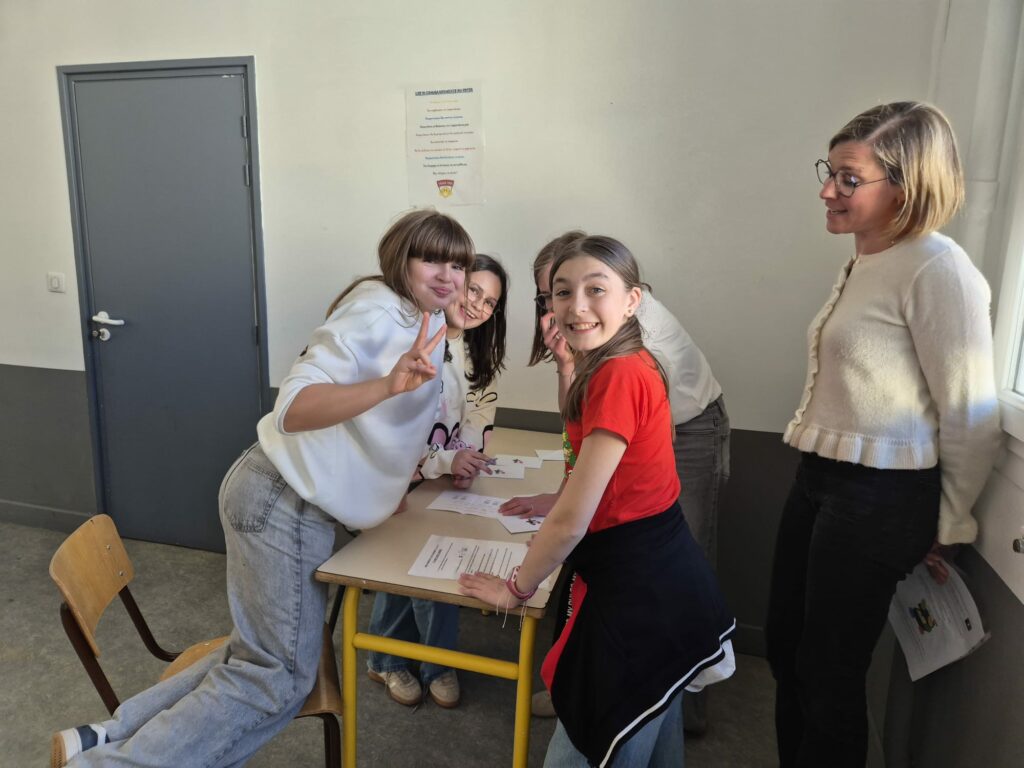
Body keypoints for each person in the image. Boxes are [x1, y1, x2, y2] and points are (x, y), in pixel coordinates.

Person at [51, 208, 474, 768]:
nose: (447, 276)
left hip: (285, 496)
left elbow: (389, 431)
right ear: (401, 260)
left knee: (257, 654)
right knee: (277, 678)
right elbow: (293, 409)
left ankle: (106, 736)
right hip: (282, 501)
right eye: (431, 260)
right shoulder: (378, 308)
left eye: (458, 265)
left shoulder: (422, 320)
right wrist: (386, 385)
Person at [765, 101, 1002, 767]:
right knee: (786, 649)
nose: (827, 191)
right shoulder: (867, 260)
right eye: (830, 172)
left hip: (881, 496)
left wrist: (949, 523)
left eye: (849, 179)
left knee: (828, 673)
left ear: (907, 185)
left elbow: (971, 412)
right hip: (820, 477)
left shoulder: (938, 268)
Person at [460, 235, 736, 768]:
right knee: (653, 731)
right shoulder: (621, 360)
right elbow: (583, 449)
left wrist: (515, 589)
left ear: (633, 300)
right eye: (561, 293)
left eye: (595, 290)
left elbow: (570, 521)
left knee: (595, 742)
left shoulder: (618, 374)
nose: (576, 306)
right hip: (661, 577)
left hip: (639, 589)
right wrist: (566, 365)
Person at [366, 254, 510, 709]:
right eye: (474, 291)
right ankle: (391, 659)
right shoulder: (415, 339)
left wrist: (467, 459)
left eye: (490, 302)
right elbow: (396, 428)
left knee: (441, 564)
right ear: (454, 284)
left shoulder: (473, 351)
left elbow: (479, 413)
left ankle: (430, 662)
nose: (478, 305)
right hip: (399, 476)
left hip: (439, 475)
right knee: (405, 570)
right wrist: (448, 461)